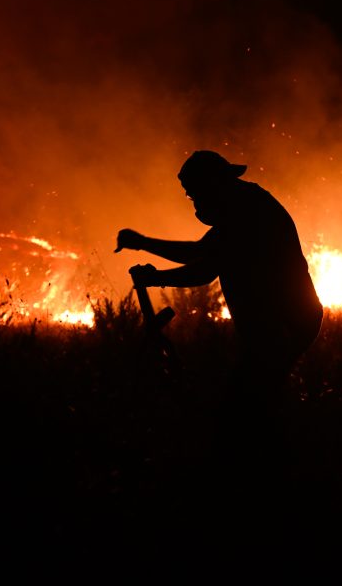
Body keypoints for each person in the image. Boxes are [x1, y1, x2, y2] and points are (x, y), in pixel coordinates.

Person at [115, 150, 323, 510]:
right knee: (257, 404)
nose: (194, 202)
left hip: (285, 323)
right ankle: (279, 483)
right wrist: (144, 242)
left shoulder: (247, 213)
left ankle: (270, 491)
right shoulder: (240, 206)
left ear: (213, 184)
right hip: (279, 323)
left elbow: (203, 269)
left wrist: (155, 277)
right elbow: (200, 251)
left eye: (194, 193)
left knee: (245, 408)